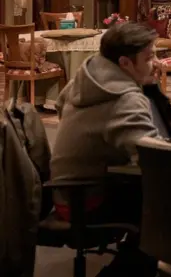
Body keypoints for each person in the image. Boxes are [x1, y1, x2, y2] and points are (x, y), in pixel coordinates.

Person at [50, 22, 163, 277]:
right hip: (86, 201)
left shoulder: (89, 74)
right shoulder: (124, 98)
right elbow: (156, 161)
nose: (157, 63)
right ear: (125, 63)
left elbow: (59, 105)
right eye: (150, 57)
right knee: (167, 208)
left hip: (65, 191)